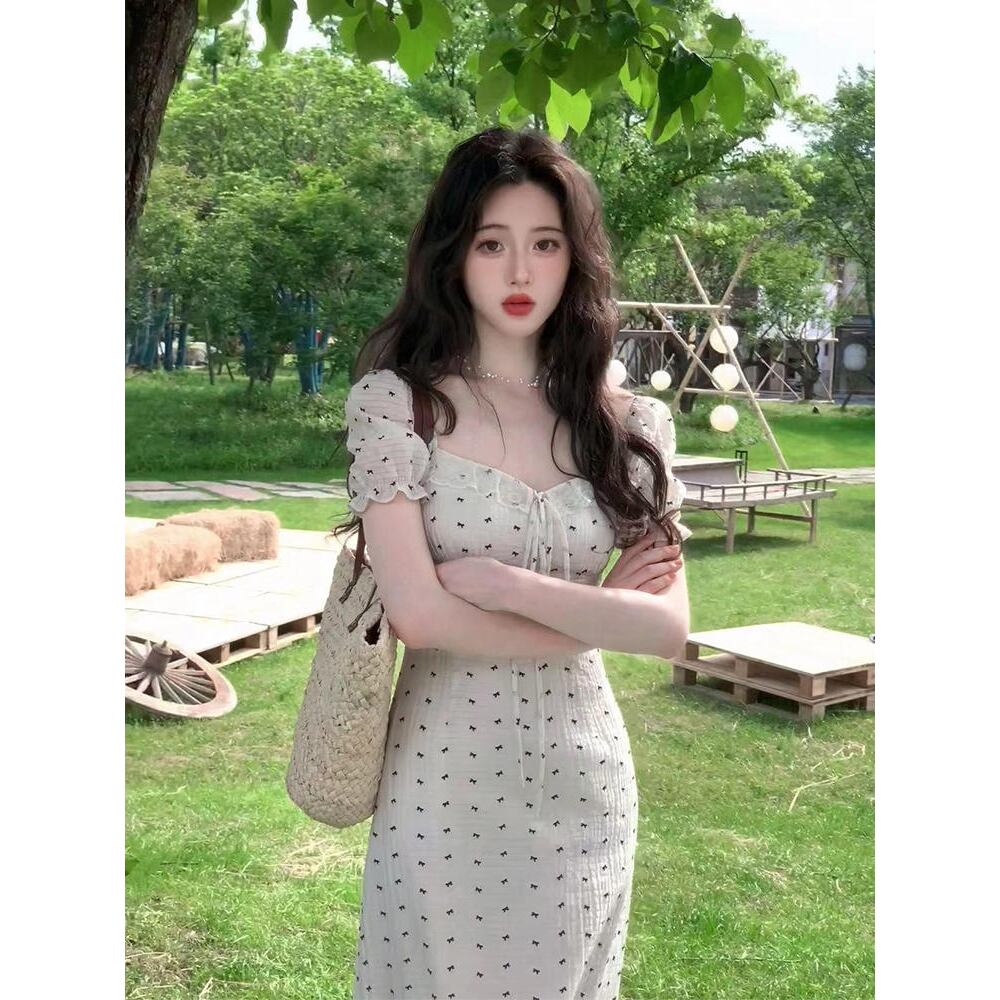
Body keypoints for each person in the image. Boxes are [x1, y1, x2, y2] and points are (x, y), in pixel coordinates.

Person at [335, 126, 692, 1000]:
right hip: (445, 777)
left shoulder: (628, 426)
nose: (521, 271)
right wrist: (597, 612)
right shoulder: (399, 408)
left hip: (587, 778)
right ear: (454, 255)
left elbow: (668, 629)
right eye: (493, 244)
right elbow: (421, 617)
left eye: (546, 244)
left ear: (577, 259)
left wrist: (506, 587)